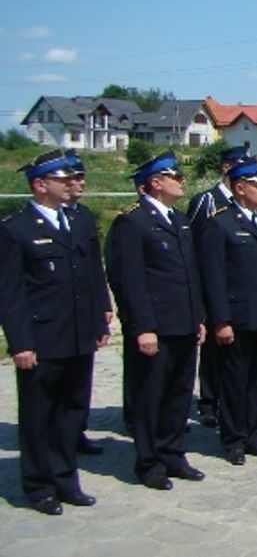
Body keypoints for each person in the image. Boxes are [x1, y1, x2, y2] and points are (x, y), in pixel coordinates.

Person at [0, 151, 108, 515]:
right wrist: (21, 342)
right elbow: (10, 293)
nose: (71, 185)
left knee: (71, 412)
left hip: (77, 336)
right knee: (38, 416)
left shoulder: (76, 222)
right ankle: (38, 486)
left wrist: (98, 323)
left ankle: (66, 479)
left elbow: (90, 279)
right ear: (40, 184)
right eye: (63, 180)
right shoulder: (16, 229)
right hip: (43, 340)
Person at [106, 151, 207, 491]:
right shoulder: (132, 222)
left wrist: (199, 317)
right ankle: (149, 463)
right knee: (150, 396)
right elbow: (130, 281)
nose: (181, 180)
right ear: (154, 182)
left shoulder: (178, 220)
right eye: (174, 175)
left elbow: (190, 274)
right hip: (155, 327)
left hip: (184, 323)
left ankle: (173, 454)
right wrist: (142, 327)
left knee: (179, 393)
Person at [200, 159, 257, 465]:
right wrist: (220, 321)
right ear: (240, 188)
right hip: (237, 319)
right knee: (234, 382)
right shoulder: (219, 223)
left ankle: (253, 436)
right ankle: (233, 439)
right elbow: (213, 277)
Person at [188, 145, 248, 428]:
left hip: (237, 284)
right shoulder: (206, 200)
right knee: (213, 346)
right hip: (211, 282)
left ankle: (229, 397)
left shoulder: (242, 203)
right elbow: (195, 245)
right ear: (227, 168)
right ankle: (209, 401)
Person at [62, 149, 114, 455]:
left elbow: (95, 266)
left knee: (81, 377)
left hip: (84, 310)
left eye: (82, 177)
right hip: (55, 316)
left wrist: (103, 304)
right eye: (75, 177)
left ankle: (77, 430)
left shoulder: (82, 216)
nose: (81, 183)